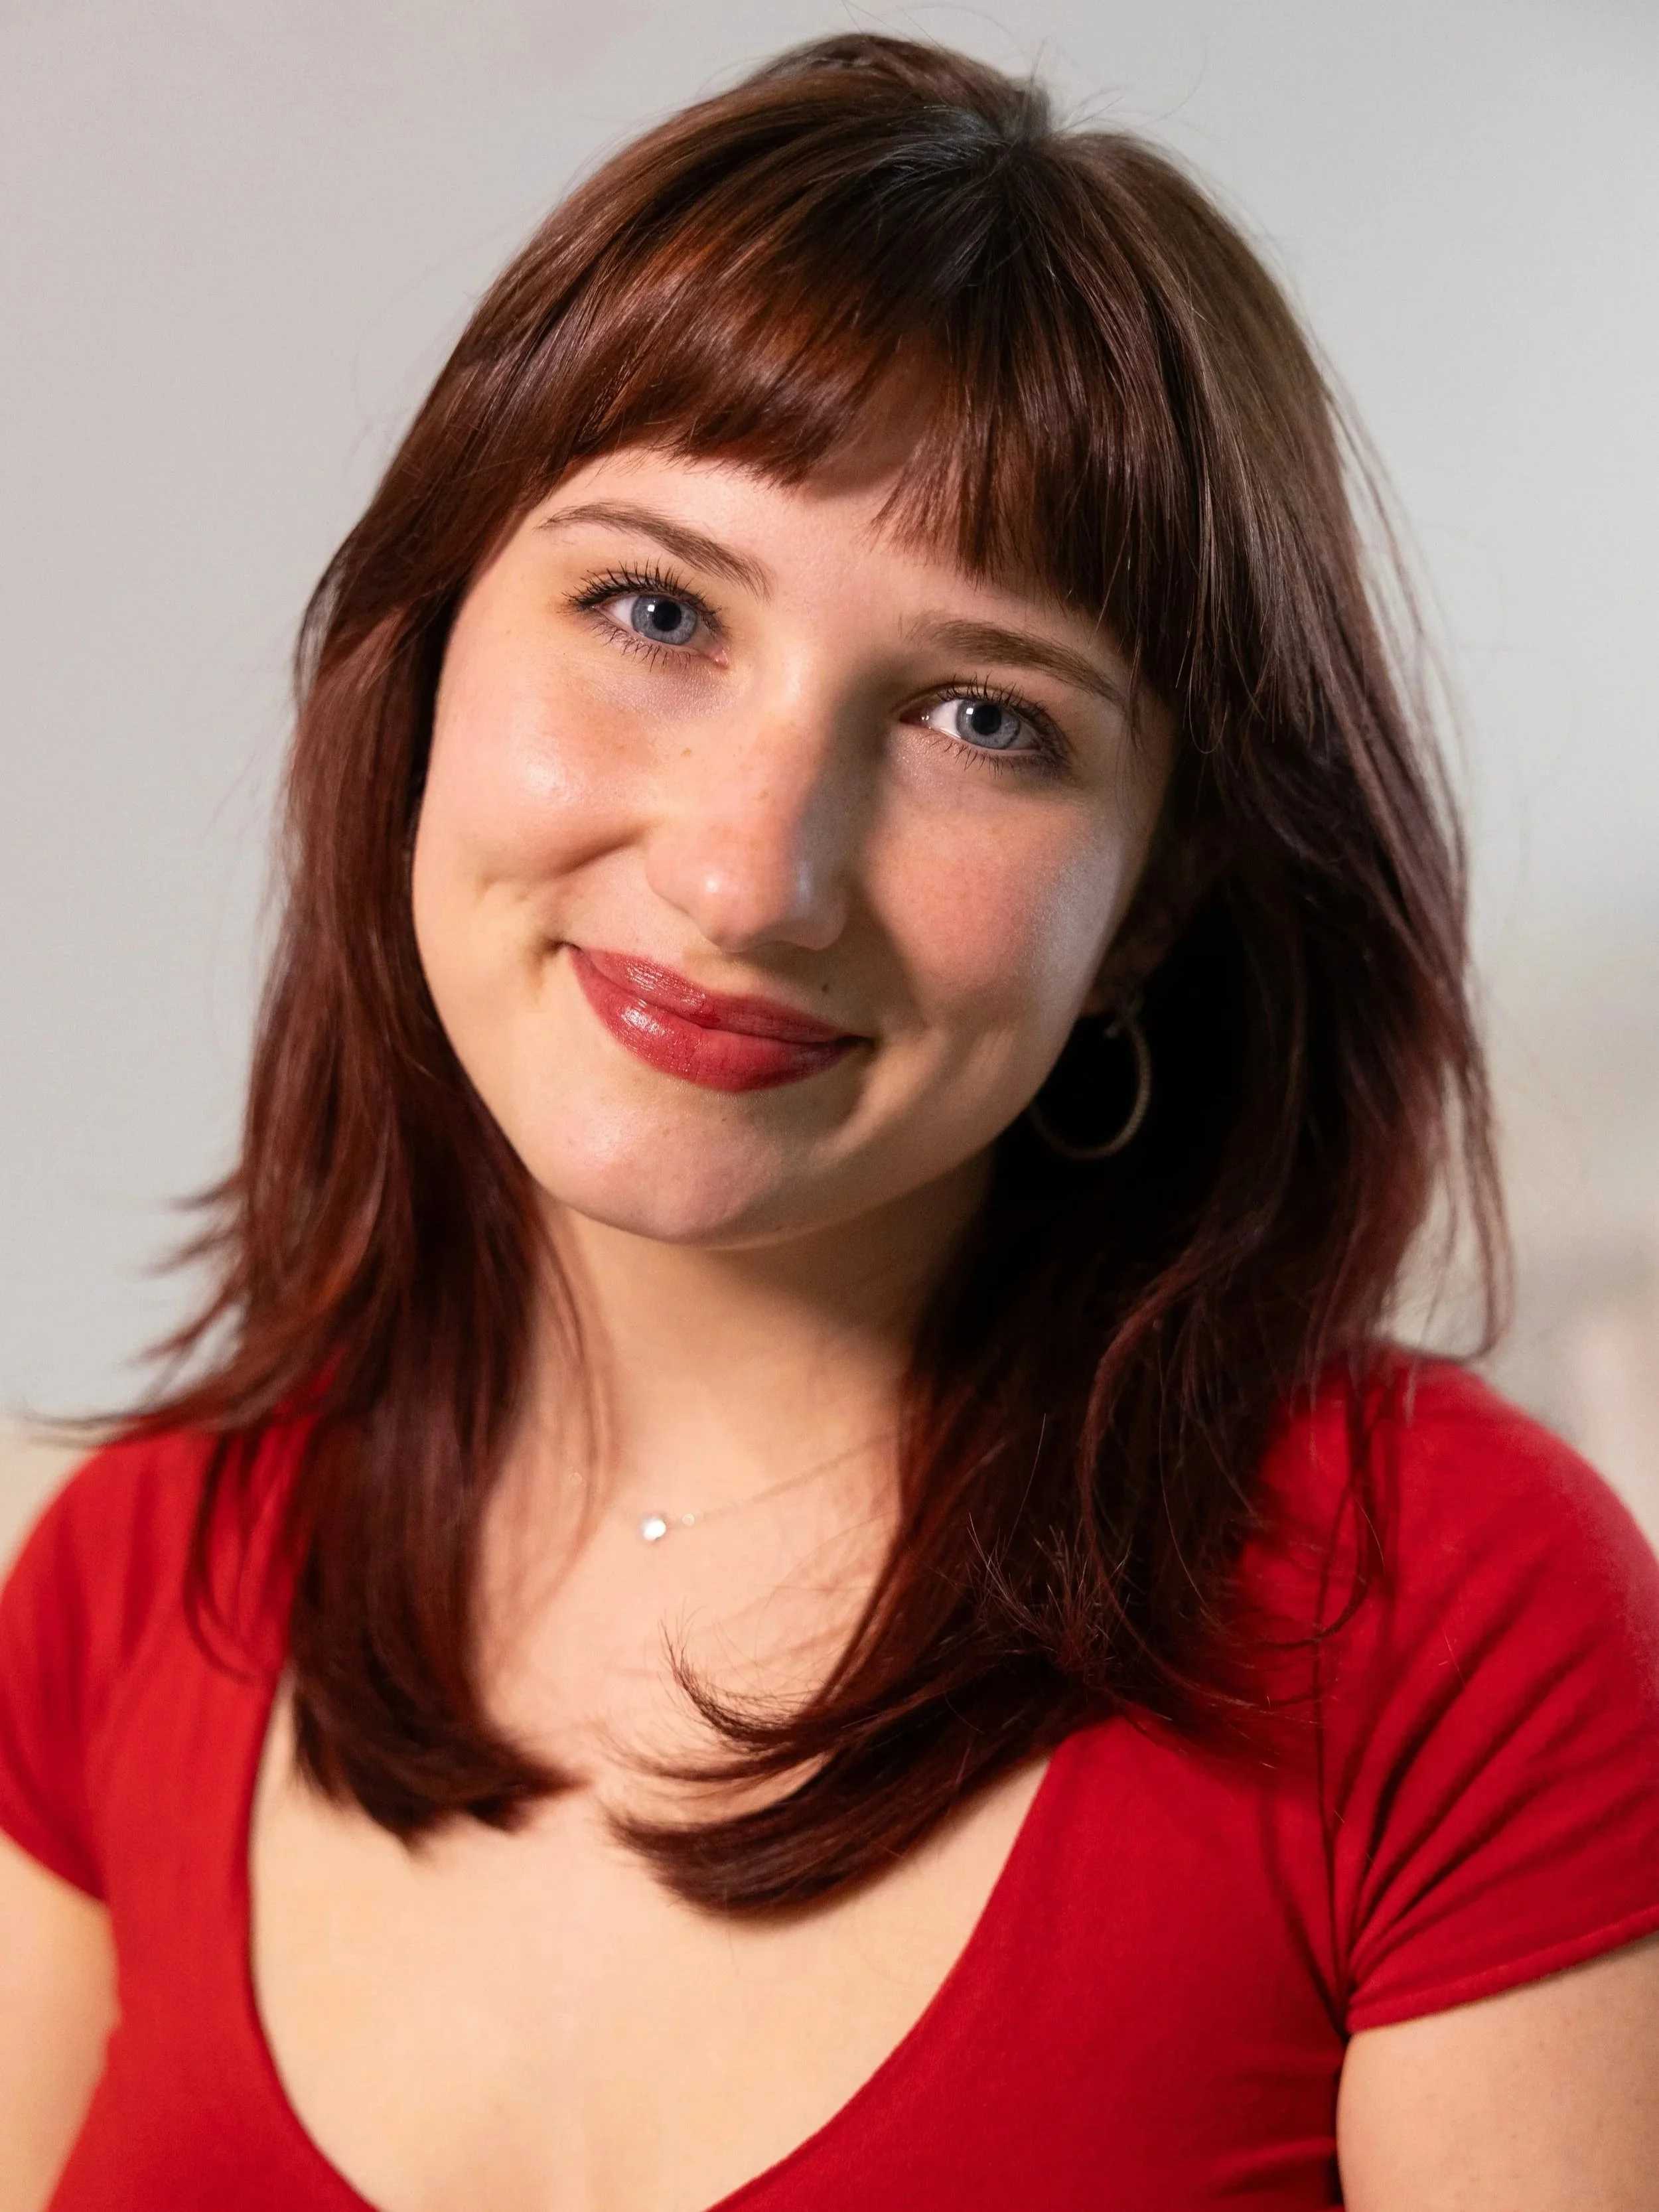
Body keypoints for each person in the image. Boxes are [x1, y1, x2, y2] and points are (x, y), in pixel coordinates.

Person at [3, 33, 1657, 2212]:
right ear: (426, 659)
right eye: (654, 610)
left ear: (1149, 904)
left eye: (983, 716)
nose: (747, 872)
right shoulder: (125, 1583)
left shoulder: (1450, 1619)